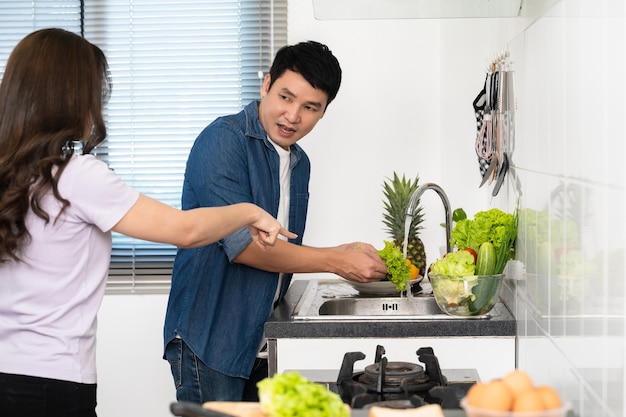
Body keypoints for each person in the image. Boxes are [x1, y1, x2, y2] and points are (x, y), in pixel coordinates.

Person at [0, 28, 294, 417]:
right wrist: (250, 211)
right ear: (71, 97)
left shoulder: (10, 175)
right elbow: (185, 230)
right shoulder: (75, 176)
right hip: (52, 381)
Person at [163, 40, 388, 404]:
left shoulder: (300, 163)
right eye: (285, 97)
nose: (293, 116)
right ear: (266, 84)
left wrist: (344, 252)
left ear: (323, 112)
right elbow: (245, 247)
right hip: (211, 338)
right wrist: (336, 259)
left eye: (310, 107)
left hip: (260, 337)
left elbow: (283, 245)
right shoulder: (223, 141)